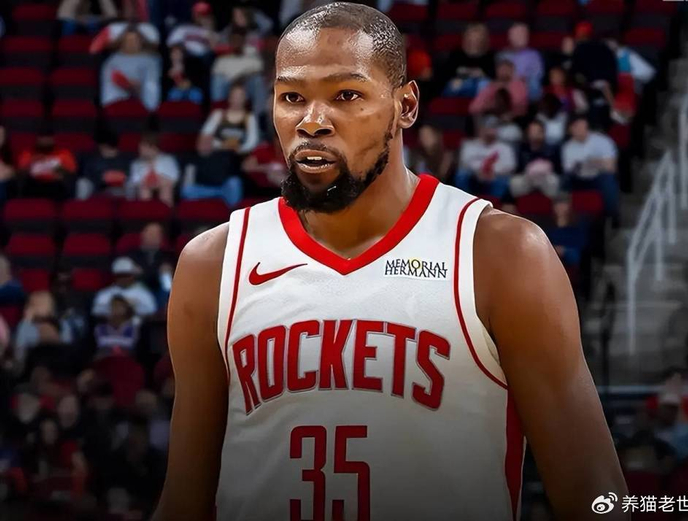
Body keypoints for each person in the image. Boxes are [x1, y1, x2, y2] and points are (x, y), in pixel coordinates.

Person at [153, 4, 628, 521]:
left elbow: (596, 496)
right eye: (292, 97)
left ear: (406, 105)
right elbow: (183, 503)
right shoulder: (214, 264)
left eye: (346, 95)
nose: (312, 121)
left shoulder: (499, 254)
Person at [561, 115, 619, 218]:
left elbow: (611, 167)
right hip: (579, 179)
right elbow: (569, 170)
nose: (580, 129)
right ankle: (564, 217)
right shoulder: (567, 147)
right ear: (570, 129)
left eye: (582, 126)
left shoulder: (602, 141)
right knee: (564, 181)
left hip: (598, 177)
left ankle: (612, 216)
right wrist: (592, 163)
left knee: (608, 179)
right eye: (576, 127)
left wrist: (593, 162)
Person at [455, 115, 516, 198]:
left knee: (505, 181)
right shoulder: (470, 144)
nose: (490, 131)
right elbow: (465, 162)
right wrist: (481, 170)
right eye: (487, 127)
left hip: (495, 177)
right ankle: (464, 200)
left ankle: (495, 202)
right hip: (474, 177)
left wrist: (491, 171)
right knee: (462, 174)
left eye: (493, 127)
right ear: (481, 129)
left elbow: (510, 166)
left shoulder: (505, 147)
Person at [100, 28, 162, 111]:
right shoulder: (112, 61)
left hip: (141, 104)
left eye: (134, 40)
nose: (131, 43)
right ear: (122, 42)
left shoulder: (150, 61)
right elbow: (108, 87)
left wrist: (138, 88)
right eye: (128, 40)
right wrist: (126, 84)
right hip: (117, 103)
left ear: (140, 42)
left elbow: (152, 86)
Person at [198, 83, 260, 156]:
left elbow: (252, 142)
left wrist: (239, 149)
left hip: (240, 156)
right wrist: (222, 146)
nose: (237, 100)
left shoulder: (250, 117)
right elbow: (205, 136)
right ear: (229, 98)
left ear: (245, 99)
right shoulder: (218, 114)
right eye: (234, 96)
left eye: (240, 96)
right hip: (218, 154)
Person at [17, 128, 77, 200]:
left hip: (55, 184)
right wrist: (32, 163)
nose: (45, 141)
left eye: (48, 138)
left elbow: (72, 173)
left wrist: (59, 169)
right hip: (34, 184)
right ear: (38, 140)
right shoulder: (28, 153)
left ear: (53, 139)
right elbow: (20, 172)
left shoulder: (64, 153)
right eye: (42, 138)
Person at [438, 24, 495, 98]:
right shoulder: (457, 53)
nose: (474, 40)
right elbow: (447, 72)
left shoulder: (489, 55)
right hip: (460, 83)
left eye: (477, 38)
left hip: (479, 85)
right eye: (472, 37)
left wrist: (481, 73)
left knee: (484, 83)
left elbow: (493, 75)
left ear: (483, 39)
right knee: (455, 85)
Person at [210, 29, 264, 104]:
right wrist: (233, 82)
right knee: (218, 80)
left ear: (243, 42)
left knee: (257, 80)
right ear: (230, 42)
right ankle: (217, 107)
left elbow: (259, 70)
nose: (236, 43)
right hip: (229, 88)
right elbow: (216, 74)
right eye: (234, 41)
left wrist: (242, 77)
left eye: (239, 40)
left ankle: (259, 110)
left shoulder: (251, 57)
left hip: (245, 86)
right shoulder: (222, 59)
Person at [92, 257, 157, 319]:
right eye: (120, 276)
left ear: (132, 276)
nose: (123, 278)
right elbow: (96, 311)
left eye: (126, 275)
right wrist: (115, 308)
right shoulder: (105, 293)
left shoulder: (143, 293)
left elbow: (152, 311)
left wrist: (131, 308)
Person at [510, 120, 561, 199]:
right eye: (532, 131)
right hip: (527, 177)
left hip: (545, 177)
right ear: (527, 133)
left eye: (538, 131)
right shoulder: (522, 149)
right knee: (515, 181)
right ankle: (519, 204)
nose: (535, 134)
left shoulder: (552, 149)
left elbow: (558, 169)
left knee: (553, 180)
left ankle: (552, 204)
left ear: (543, 133)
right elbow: (518, 169)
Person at [127, 133, 180, 207]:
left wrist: (158, 181)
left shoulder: (167, 159)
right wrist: (148, 181)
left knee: (166, 189)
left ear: (153, 148)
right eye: (140, 147)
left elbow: (174, 178)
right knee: (144, 190)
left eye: (144, 147)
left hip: (164, 185)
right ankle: (146, 213)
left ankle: (166, 211)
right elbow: (135, 181)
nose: (140, 150)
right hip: (145, 186)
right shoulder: (137, 163)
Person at [79, 128, 131, 199]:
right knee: (82, 183)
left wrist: (117, 177)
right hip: (99, 189)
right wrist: (102, 179)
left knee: (125, 187)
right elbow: (88, 175)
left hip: (120, 189)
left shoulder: (126, 159)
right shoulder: (93, 160)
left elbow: (130, 176)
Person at [497, 23, 544, 101]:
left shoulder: (534, 54)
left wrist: (523, 78)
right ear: (510, 36)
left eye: (524, 34)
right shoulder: (502, 54)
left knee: (534, 83)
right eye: (519, 34)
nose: (523, 37)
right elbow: (500, 74)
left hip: (526, 84)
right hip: (507, 83)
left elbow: (538, 74)